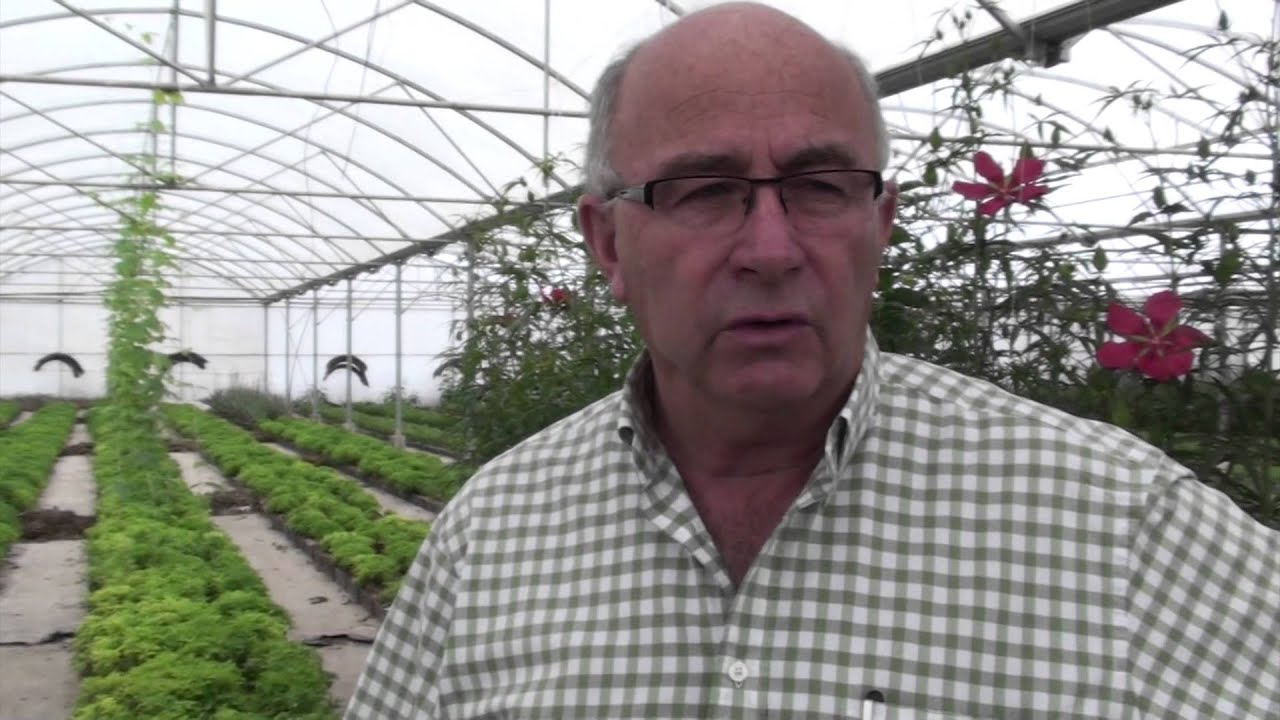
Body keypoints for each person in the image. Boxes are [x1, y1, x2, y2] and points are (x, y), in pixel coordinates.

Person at [345, 3, 1279, 718]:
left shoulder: (1126, 530)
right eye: (703, 190)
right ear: (608, 244)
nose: (771, 249)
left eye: (822, 186)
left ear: (881, 223)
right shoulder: (489, 536)